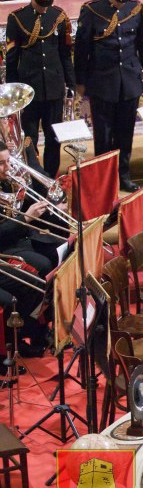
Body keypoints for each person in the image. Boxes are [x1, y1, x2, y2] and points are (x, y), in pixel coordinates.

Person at [74, 0, 143, 193]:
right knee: (103, 135)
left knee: (125, 133)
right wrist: (80, 81)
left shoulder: (135, 9)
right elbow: (82, 49)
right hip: (102, 82)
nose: (121, 2)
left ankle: (123, 175)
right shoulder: (92, 11)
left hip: (129, 81)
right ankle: (104, 180)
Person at [5, 0, 75, 177]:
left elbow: (65, 54)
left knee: (54, 136)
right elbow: (12, 59)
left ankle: (51, 177)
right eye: (41, 2)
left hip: (54, 88)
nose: (45, 7)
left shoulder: (59, 17)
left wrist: (70, 84)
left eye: (48, 2)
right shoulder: (17, 19)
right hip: (28, 90)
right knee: (29, 138)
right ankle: (34, 178)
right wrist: (12, 93)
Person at [0, 146, 54, 357]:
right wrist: (26, 218)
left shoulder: (6, 182)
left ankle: (30, 331)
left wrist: (27, 194)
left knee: (48, 265)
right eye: (2, 163)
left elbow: (17, 213)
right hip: (5, 245)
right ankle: (13, 343)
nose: (8, 167)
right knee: (30, 282)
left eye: (8, 161)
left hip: (14, 239)